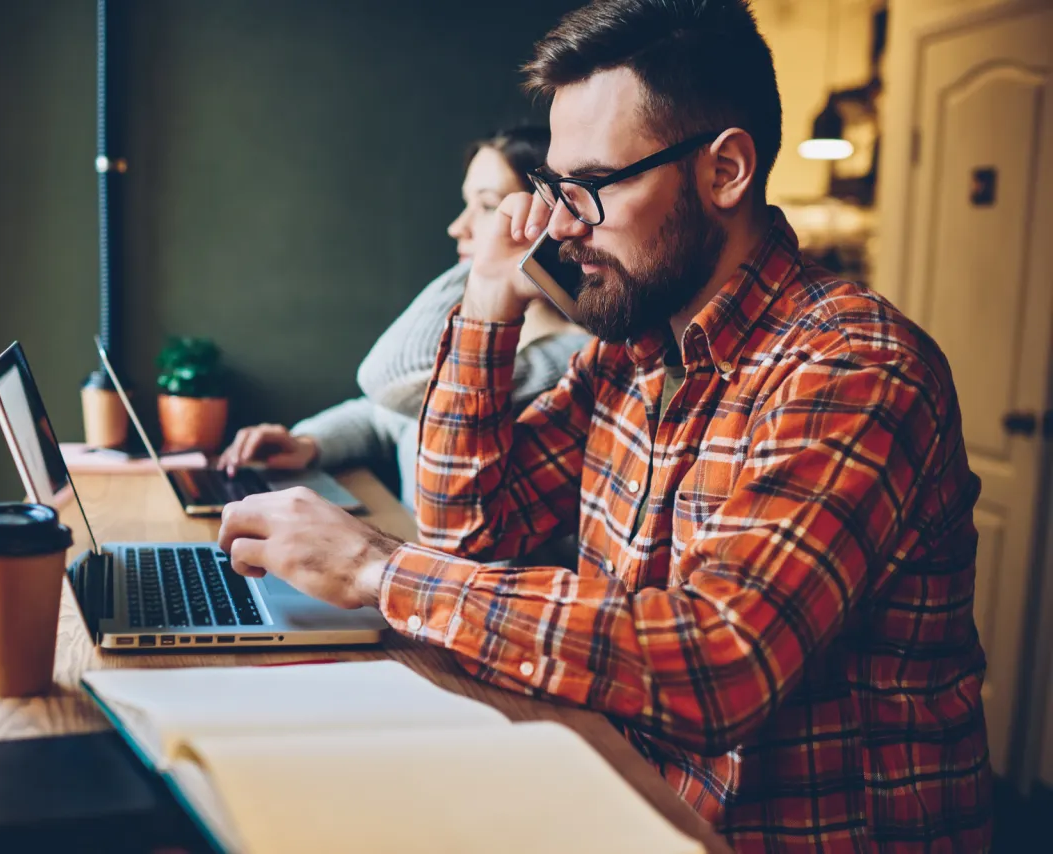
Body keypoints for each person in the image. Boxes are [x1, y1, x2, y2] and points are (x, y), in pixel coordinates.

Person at [217, 1, 991, 849]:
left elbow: (719, 661)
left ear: (725, 170)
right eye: (554, 188)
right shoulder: (632, 351)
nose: (559, 224)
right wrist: (487, 301)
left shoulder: (854, 368)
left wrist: (375, 571)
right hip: (622, 803)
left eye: (590, 186)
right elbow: (468, 534)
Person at [215, 127, 589, 509]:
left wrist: (487, 267)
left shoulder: (574, 358)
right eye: (467, 203)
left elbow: (387, 378)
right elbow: (385, 414)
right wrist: (308, 443)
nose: (458, 226)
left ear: (544, 218)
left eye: (489, 206)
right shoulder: (495, 336)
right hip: (415, 555)